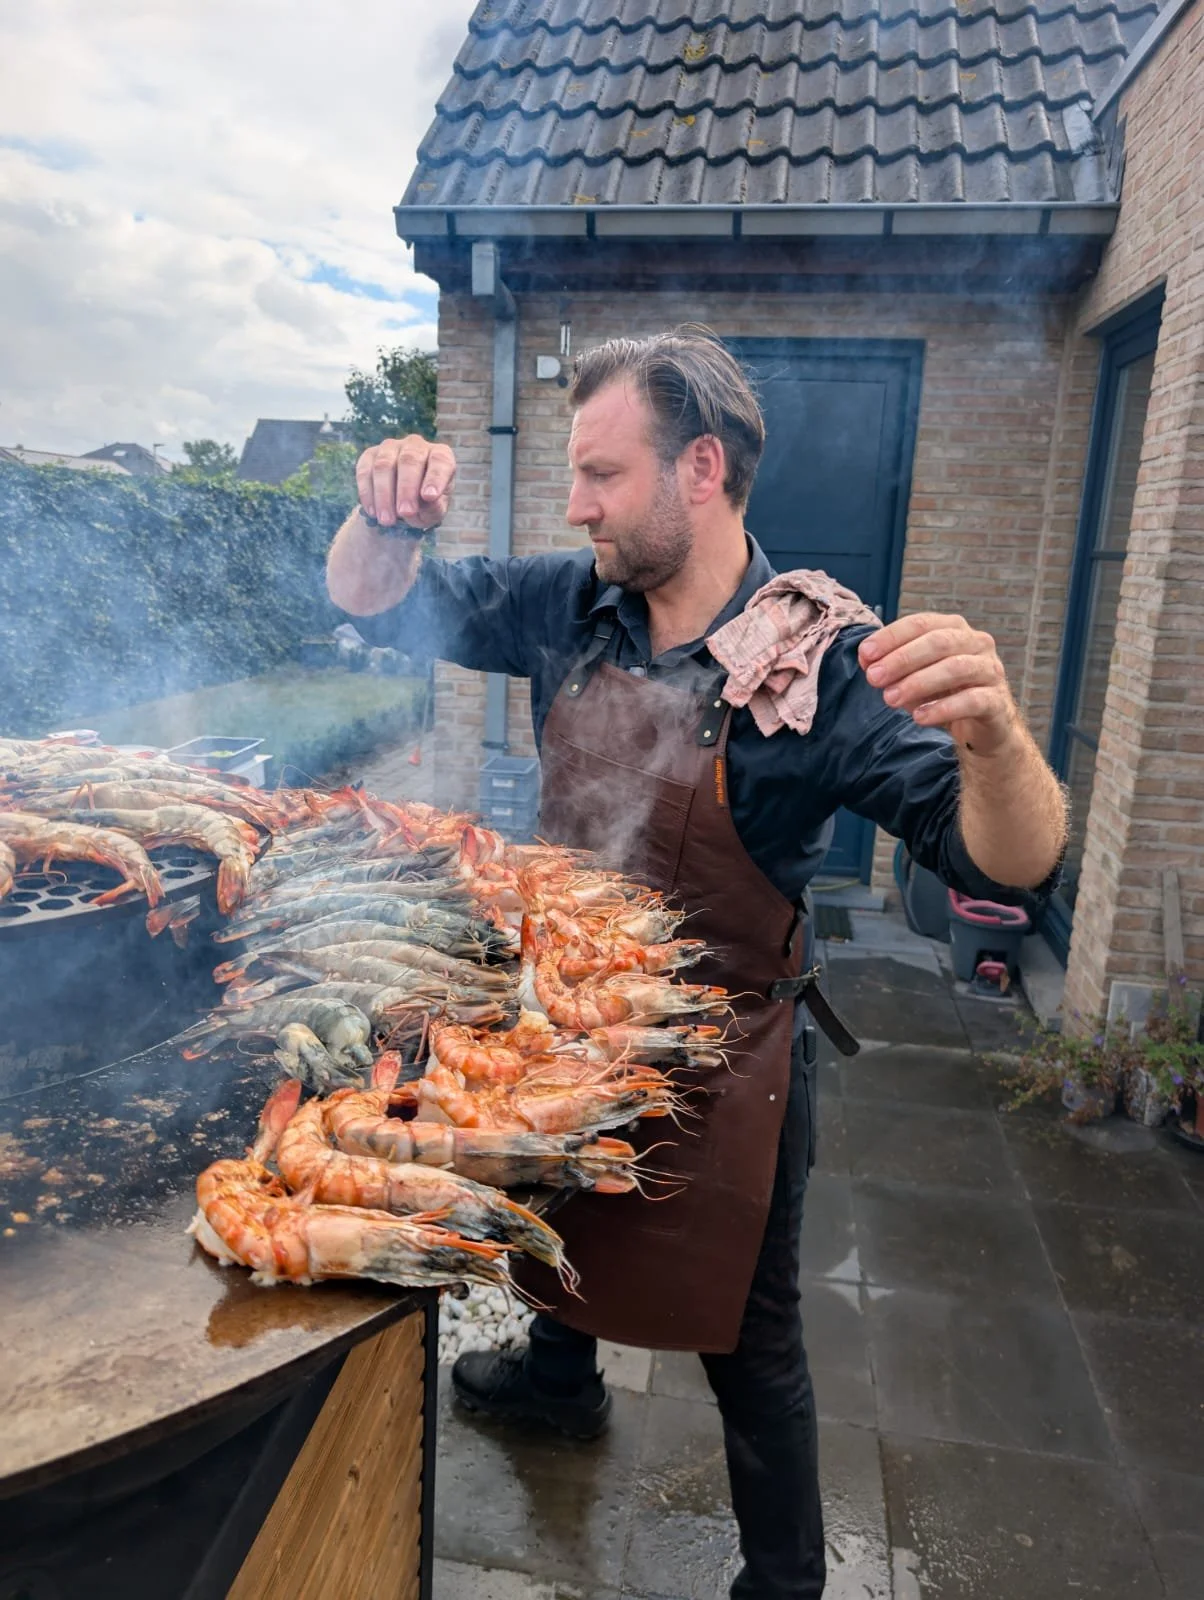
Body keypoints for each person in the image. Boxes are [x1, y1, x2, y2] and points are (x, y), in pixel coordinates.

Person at [326, 327, 1066, 1600]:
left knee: (752, 1336)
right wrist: (381, 519)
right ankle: (559, 1385)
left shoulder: (818, 666)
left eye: (602, 475)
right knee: (553, 1213)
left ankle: (783, 1581)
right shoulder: (574, 599)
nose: (575, 504)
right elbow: (369, 601)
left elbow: (1007, 865)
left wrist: (996, 741)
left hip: (724, 1060)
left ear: (702, 469)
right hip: (563, 1010)